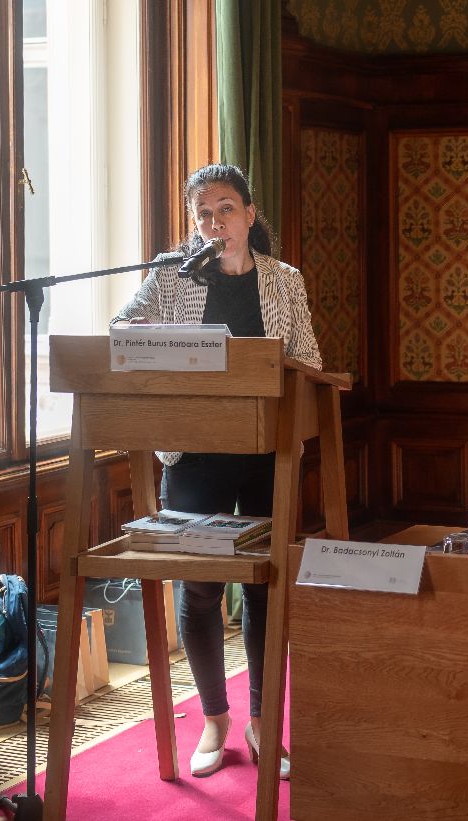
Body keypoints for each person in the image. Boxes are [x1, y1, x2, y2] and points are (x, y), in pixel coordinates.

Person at [113, 164, 320, 779]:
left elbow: (311, 360)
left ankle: (262, 722)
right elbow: (120, 330)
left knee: (263, 587)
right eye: (203, 213)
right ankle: (213, 719)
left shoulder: (284, 281)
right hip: (194, 452)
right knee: (200, 587)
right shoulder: (171, 276)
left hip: (266, 453)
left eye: (226, 209)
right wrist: (144, 335)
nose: (214, 223)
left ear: (250, 214)